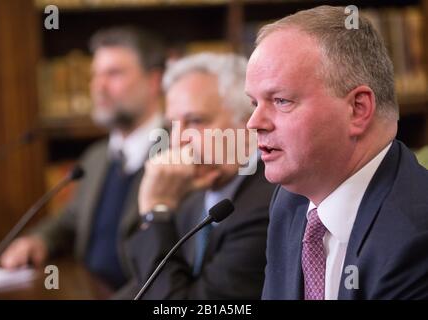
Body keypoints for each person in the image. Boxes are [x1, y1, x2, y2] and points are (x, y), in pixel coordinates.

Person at [246, 6, 428, 299]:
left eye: (280, 101)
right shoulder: (290, 202)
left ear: (358, 109)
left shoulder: (415, 234)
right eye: (254, 103)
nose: (254, 123)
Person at [0, 26, 166, 290]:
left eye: (114, 74)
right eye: (94, 75)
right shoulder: (97, 156)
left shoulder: (177, 153)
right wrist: (38, 240)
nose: (98, 86)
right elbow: (70, 220)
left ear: (154, 80)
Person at [115, 53, 275, 299]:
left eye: (195, 121)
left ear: (247, 124)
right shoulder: (190, 195)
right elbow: (143, 286)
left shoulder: (268, 205)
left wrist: (156, 211)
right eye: (173, 125)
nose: (178, 141)